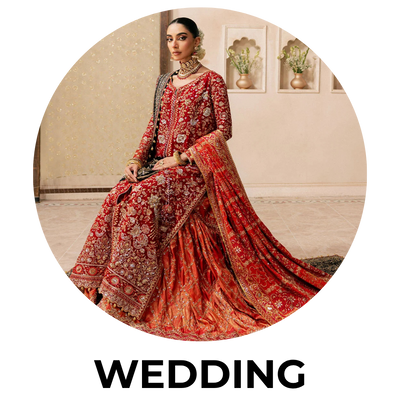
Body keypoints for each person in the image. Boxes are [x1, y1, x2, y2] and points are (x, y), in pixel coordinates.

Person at [66, 17, 334, 343]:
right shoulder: (164, 82)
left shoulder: (212, 80)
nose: (174, 45)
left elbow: (223, 131)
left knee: (142, 197)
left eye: (181, 37)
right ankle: (103, 285)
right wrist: (136, 159)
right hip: (157, 165)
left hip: (192, 168)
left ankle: (124, 296)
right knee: (117, 194)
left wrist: (181, 157)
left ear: (196, 41)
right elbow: (152, 127)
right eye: (170, 39)